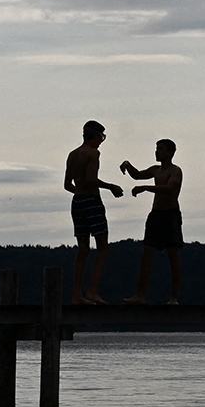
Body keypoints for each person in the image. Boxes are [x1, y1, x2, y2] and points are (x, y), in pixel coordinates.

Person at [64, 120, 123, 303]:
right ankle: (92, 291)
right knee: (103, 247)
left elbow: (67, 185)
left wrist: (80, 193)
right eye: (101, 137)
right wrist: (110, 186)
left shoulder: (72, 155)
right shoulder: (93, 153)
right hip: (91, 200)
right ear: (95, 135)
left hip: (77, 202)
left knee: (83, 249)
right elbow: (91, 179)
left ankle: (76, 295)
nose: (101, 141)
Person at [118, 139, 184, 304]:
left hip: (171, 216)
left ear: (169, 153)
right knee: (146, 256)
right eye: (156, 149)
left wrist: (146, 188)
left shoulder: (175, 171)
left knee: (173, 257)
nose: (157, 152)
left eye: (160, 149)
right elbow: (138, 175)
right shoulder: (156, 170)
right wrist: (127, 164)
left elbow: (169, 189)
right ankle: (140, 295)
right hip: (156, 215)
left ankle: (174, 298)